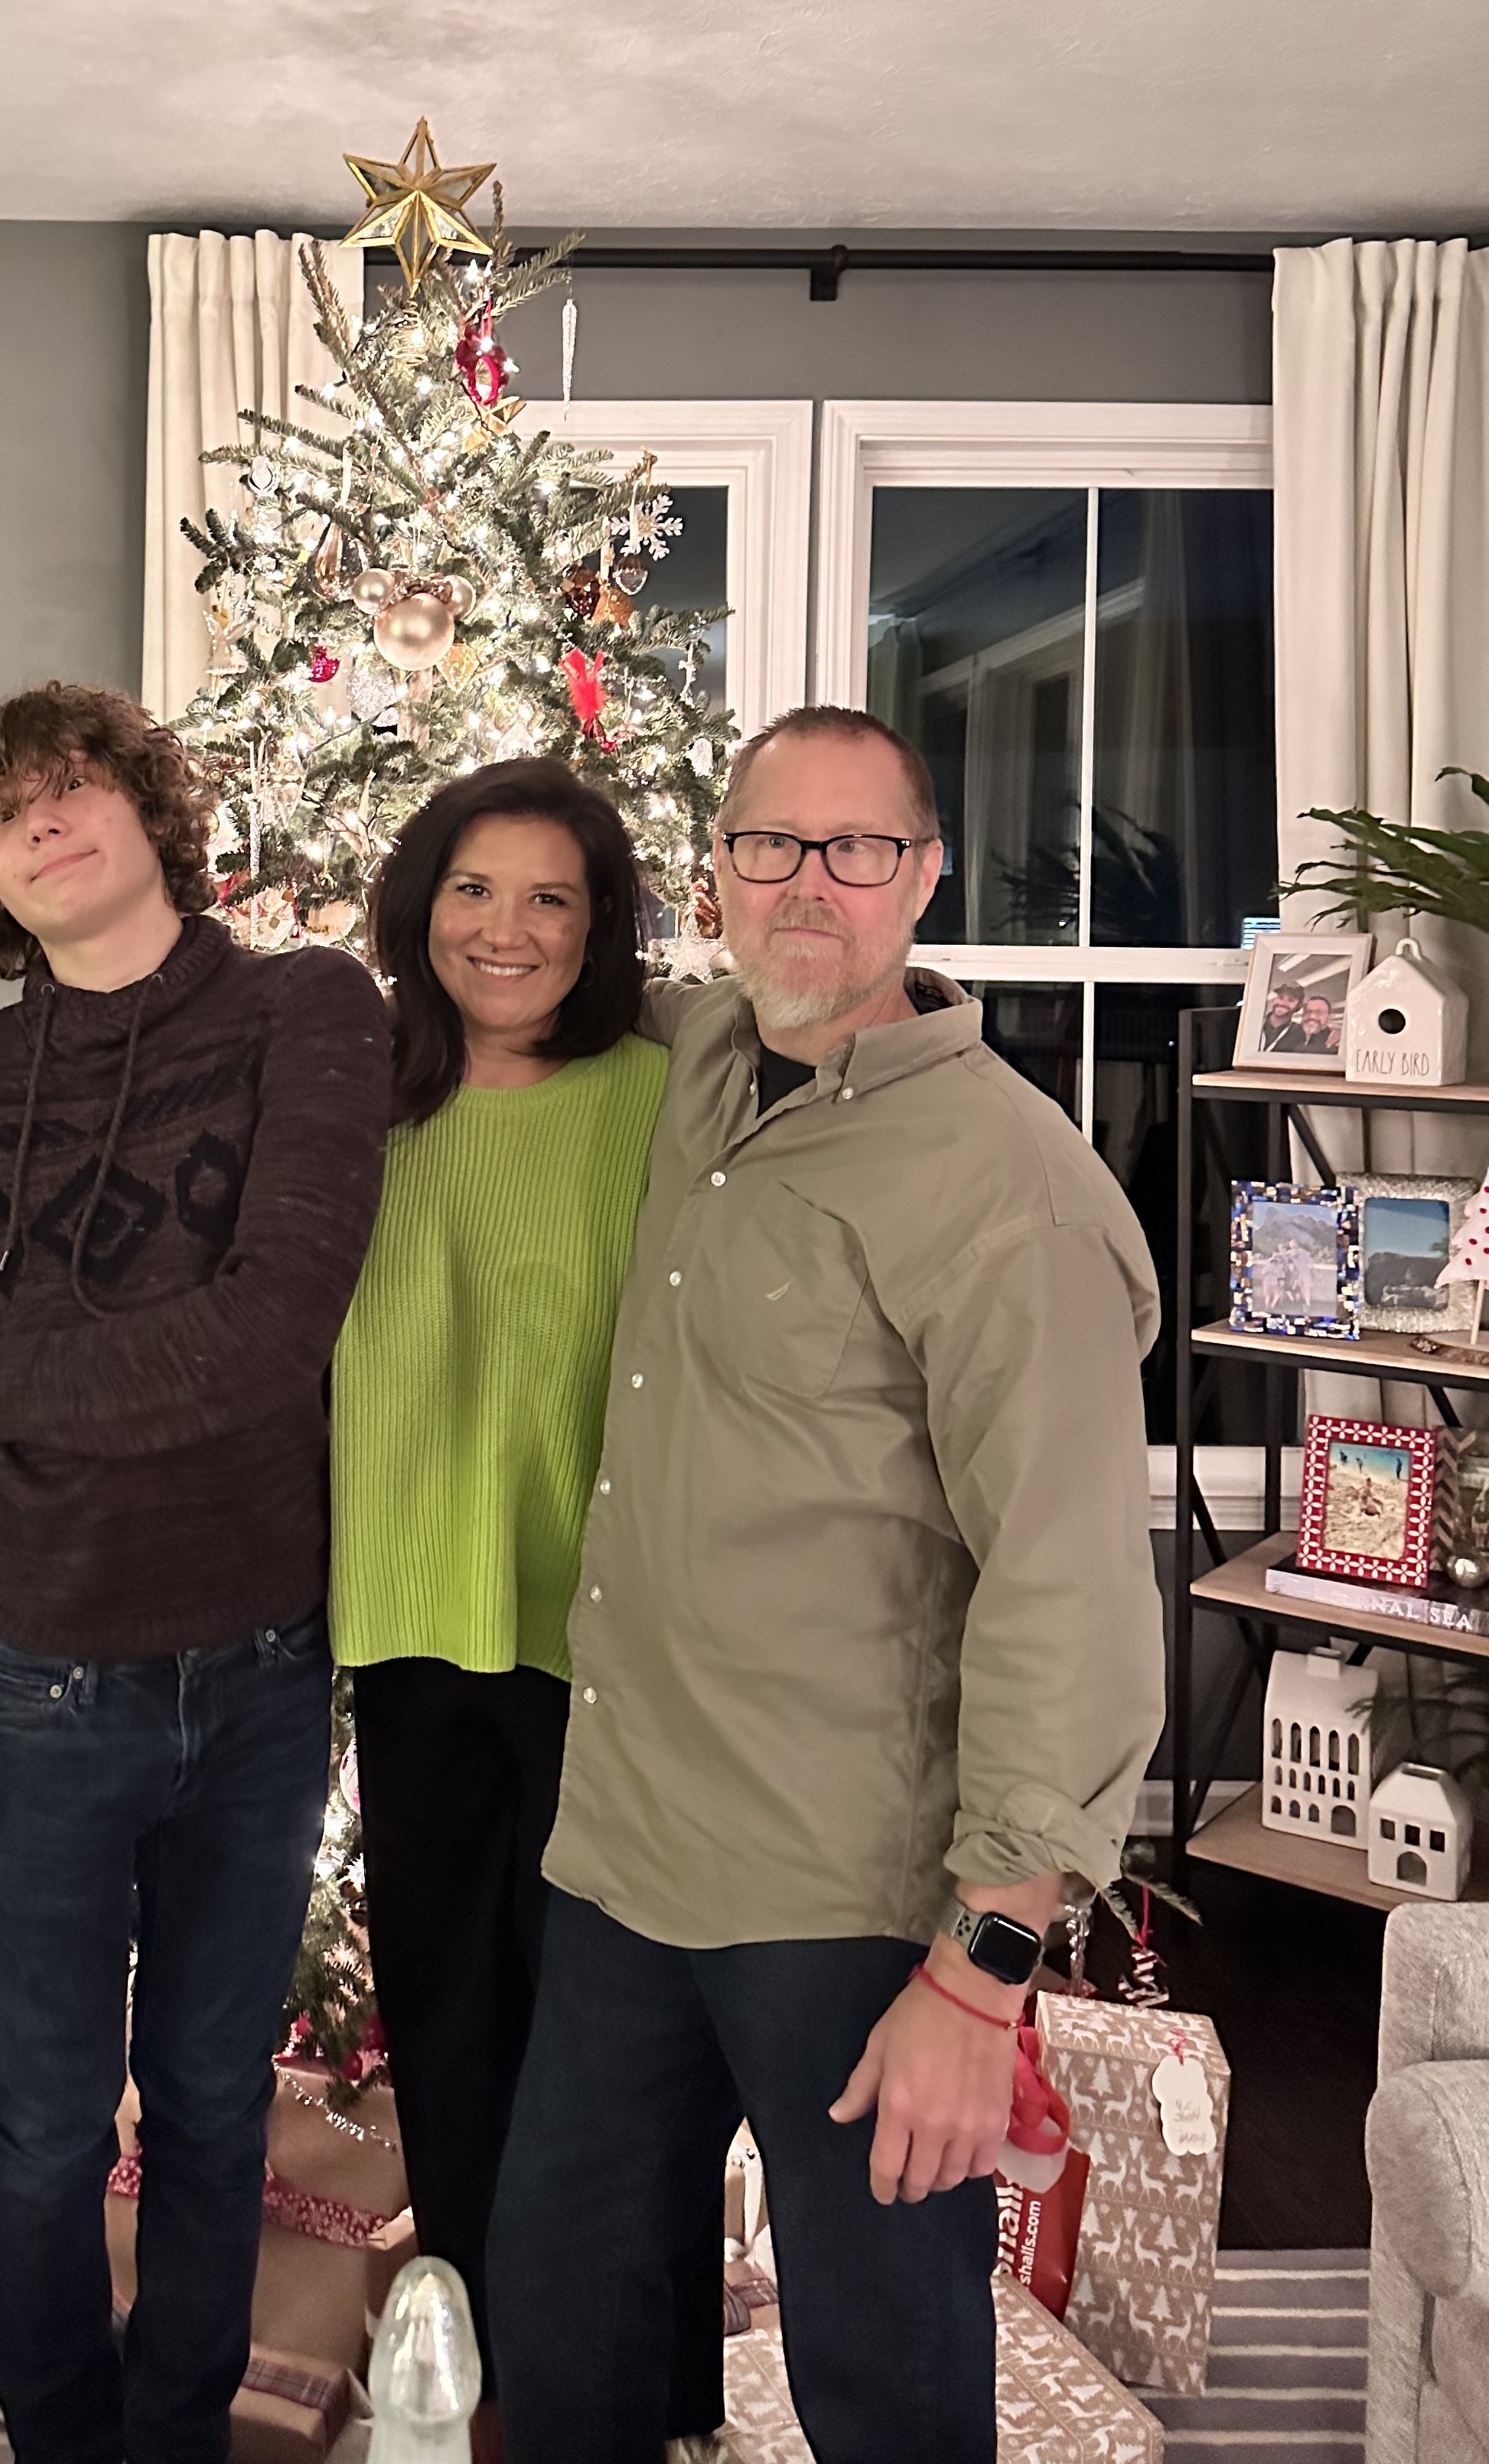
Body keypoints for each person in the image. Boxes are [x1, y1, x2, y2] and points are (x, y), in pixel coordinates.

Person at [486, 705, 1164, 2464]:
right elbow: (506, 984)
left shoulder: (1014, 1190)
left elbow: (1068, 1592)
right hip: (625, 1857)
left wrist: (984, 1975)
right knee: (564, 2326)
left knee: (882, 2375)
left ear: (925, 875)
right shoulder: (705, 1057)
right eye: (768, 846)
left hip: (852, 1904)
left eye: (859, 850)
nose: (810, 887)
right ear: (713, 874)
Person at [0, 682, 389, 2464]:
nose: (48, 824)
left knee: (221, 2100)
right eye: (7, 815)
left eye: (77, 786)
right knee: (49, 2122)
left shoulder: (306, 1010)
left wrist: (1, 1395)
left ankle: (178, 2433)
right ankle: (61, 2441)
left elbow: (268, 1332)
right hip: (29, 1669)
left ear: (150, 807)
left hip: (255, 1664)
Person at [328, 758, 714, 2462]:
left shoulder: (665, 1086)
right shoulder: (346, 1093)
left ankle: (634, 2394)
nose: (509, 928)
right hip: (410, 1625)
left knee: (617, 2042)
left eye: (552, 896)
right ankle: (472, 2363)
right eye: (474, 890)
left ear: (600, 924)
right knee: (449, 2019)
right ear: (420, 909)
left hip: (612, 1639)